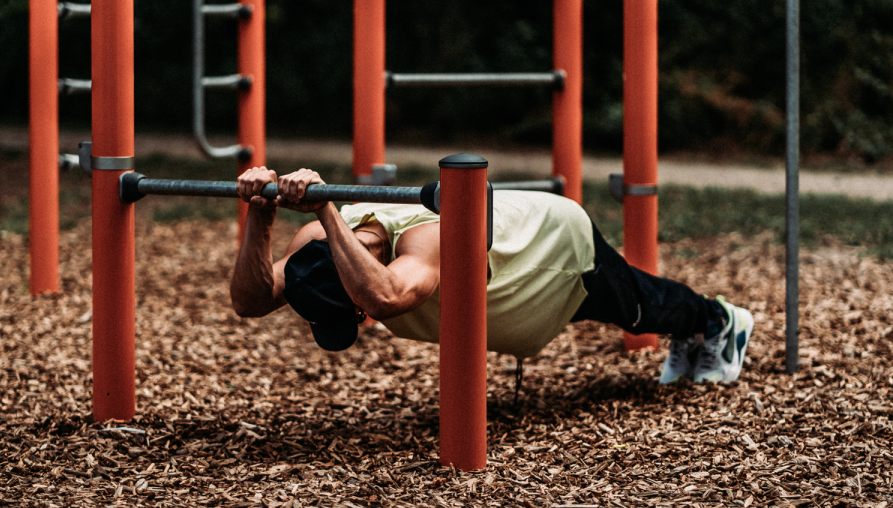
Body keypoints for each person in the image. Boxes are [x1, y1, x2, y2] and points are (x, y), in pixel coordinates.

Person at [230, 167, 754, 384]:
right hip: (514, 287)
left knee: (640, 307)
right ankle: (695, 328)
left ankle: (719, 322)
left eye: (355, 313)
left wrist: (324, 208)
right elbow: (251, 302)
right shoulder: (317, 249)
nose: (364, 321)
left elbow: (387, 296)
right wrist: (260, 213)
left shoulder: (422, 241)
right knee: (639, 305)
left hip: (550, 252)